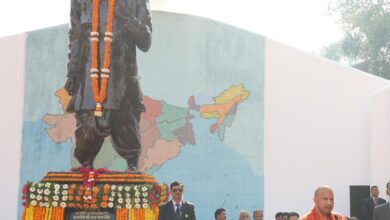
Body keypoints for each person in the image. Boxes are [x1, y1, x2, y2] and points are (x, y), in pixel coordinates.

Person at [64, 0, 152, 171]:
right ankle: (86, 169)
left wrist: (124, 14)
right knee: (87, 129)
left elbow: (145, 41)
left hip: (123, 82)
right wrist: (72, 73)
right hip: (89, 80)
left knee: (126, 125)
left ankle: (132, 168)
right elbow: (75, 36)